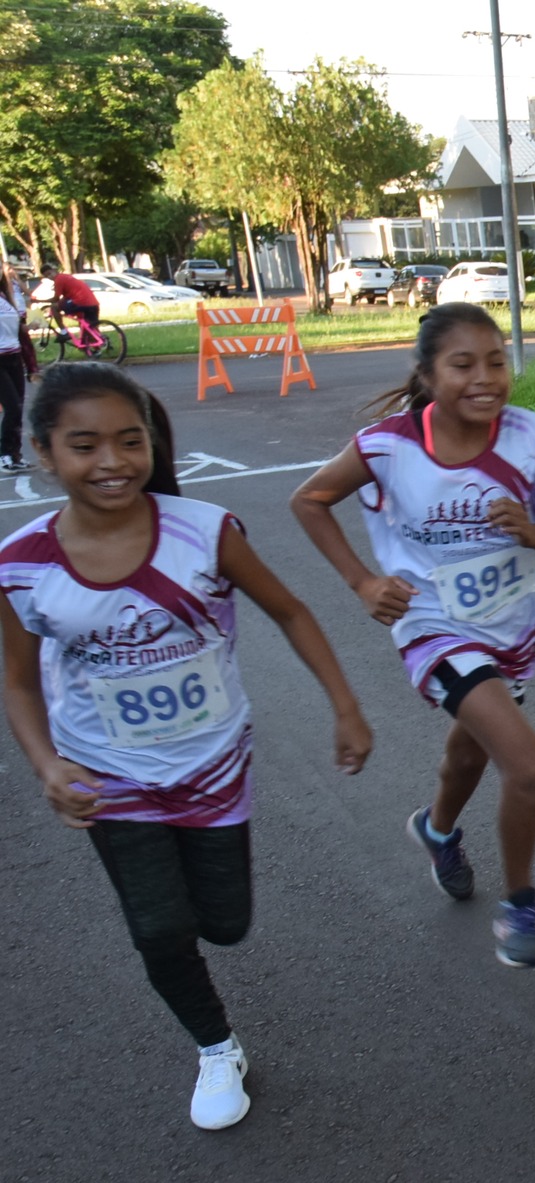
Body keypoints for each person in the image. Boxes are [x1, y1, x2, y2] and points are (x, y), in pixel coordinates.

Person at [0, 362, 372, 1129]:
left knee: (225, 921)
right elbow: (19, 678)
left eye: (129, 441)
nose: (111, 461)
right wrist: (46, 764)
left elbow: (291, 611)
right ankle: (214, 1046)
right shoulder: (21, 565)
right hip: (107, 776)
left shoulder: (203, 532)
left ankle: (195, 935)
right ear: (42, 452)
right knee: (158, 926)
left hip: (212, 771)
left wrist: (345, 706)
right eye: (84, 445)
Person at [290, 304, 535, 967]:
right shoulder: (387, 445)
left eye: (496, 361)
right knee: (530, 765)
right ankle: (520, 903)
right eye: (463, 364)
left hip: (511, 630)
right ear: (427, 374)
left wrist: (532, 530)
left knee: (471, 755)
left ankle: (436, 829)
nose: (486, 378)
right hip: (433, 627)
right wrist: (362, 582)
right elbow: (309, 500)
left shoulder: (529, 436)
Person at [0, 263, 26, 470]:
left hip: (15, 357)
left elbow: (17, 328)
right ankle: (5, 455)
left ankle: (15, 454)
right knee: (12, 407)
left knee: (18, 408)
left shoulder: (5, 296)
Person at [40, 264, 101, 341]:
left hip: (80, 303)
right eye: (47, 276)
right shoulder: (67, 277)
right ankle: (98, 344)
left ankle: (64, 332)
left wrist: (38, 301)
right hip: (93, 303)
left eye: (49, 273)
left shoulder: (59, 279)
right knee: (89, 326)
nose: (50, 277)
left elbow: (56, 299)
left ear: (54, 270)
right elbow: (66, 297)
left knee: (54, 307)